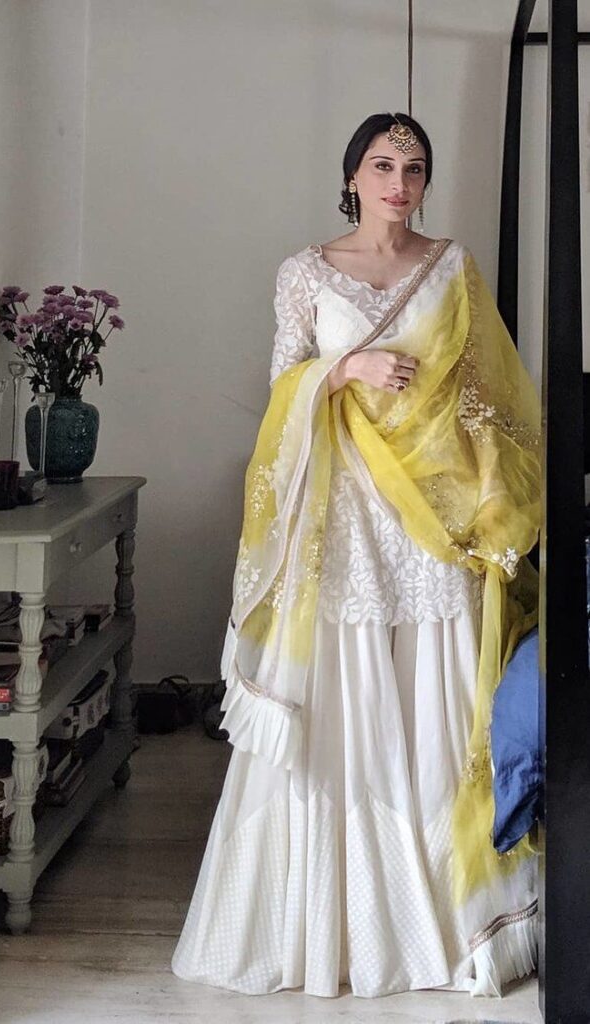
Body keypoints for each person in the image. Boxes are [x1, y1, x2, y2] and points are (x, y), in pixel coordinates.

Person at [171, 112, 541, 1000]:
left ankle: (460, 917)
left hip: (432, 510)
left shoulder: (451, 267)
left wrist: (487, 497)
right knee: (346, 687)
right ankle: (338, 926)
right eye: (382, 164)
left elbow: (489, 391)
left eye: (413, 167)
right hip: (340, 512)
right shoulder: (304, 272)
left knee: (439, 684)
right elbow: (281, 385)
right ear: (352, 175)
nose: (399, 181)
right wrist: (342, 374)